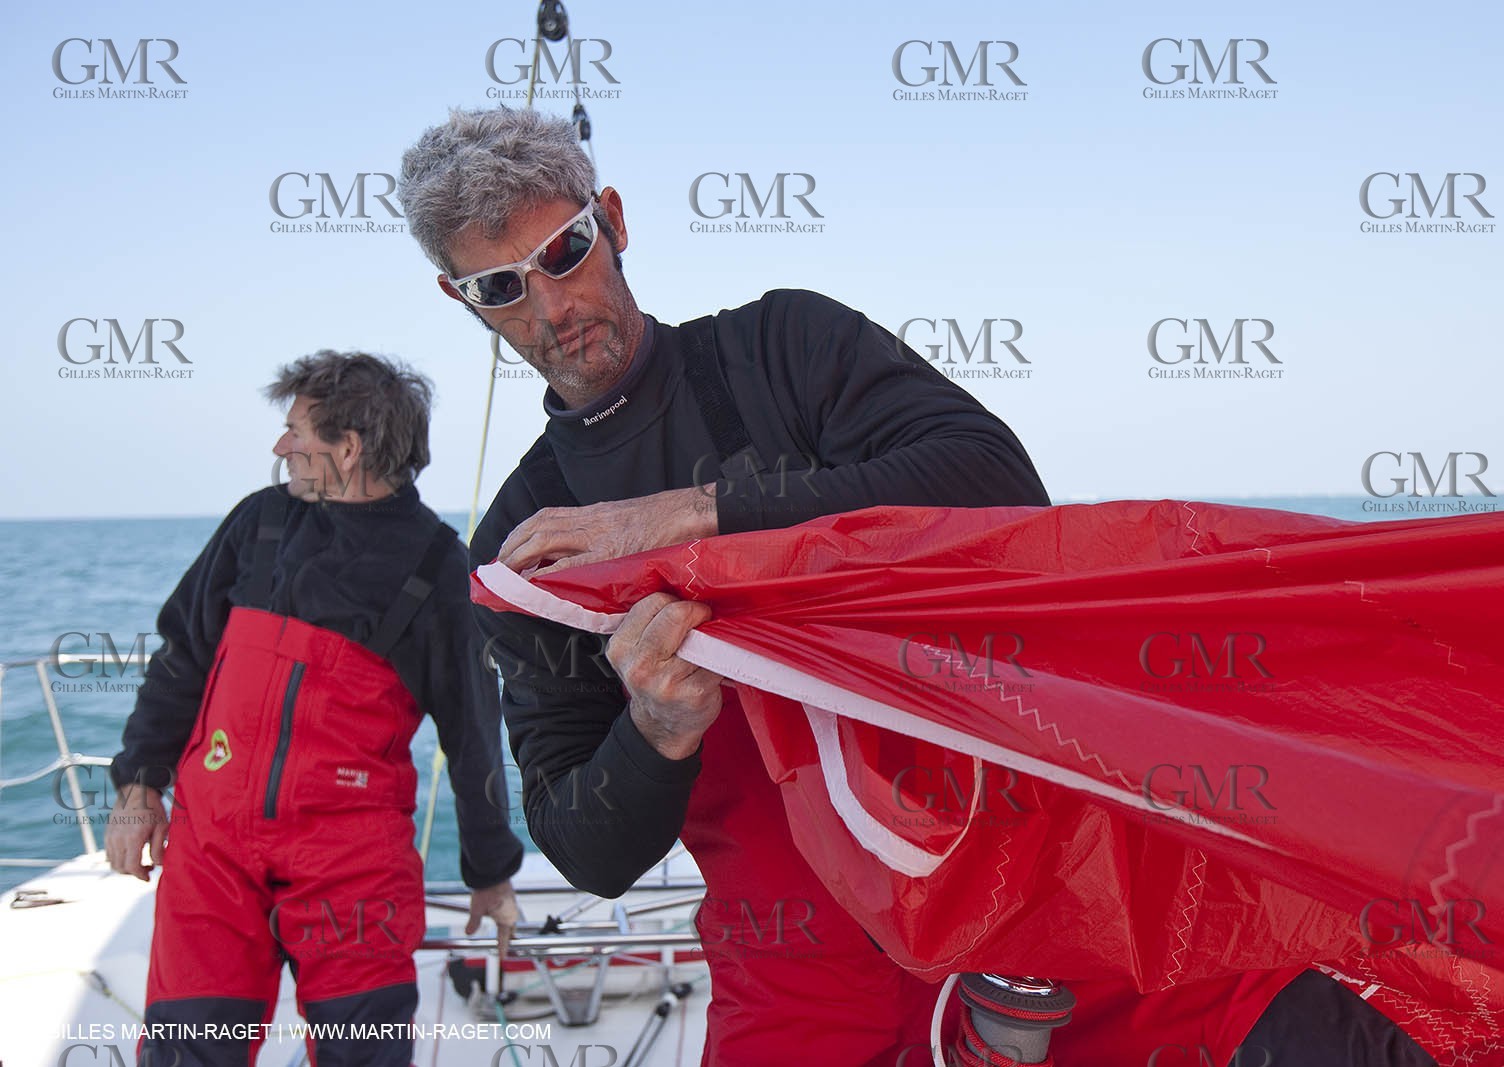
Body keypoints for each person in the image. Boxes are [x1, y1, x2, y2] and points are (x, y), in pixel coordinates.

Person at [397, 108, 1432, 1067]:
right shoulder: (527, 546)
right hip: (801, 979)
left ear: (613, 222)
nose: (553, 304)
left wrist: (696, 514)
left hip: (1027, 905)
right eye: (502, 287)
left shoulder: (782, 347)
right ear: (460, 299)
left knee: (1324, 1036)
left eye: (565, 252)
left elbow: (994, 483)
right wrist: (655, 731)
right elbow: (587, 849)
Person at [106, 351, 524, 1067]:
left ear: (348, 448)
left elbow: (473, 731)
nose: (280, 447)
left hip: (352, 867)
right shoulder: (259, 522)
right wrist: (138, 787)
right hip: (212, 853)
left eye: (296, 430)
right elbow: (182, 656)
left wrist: (490, 871)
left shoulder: (439, 568)